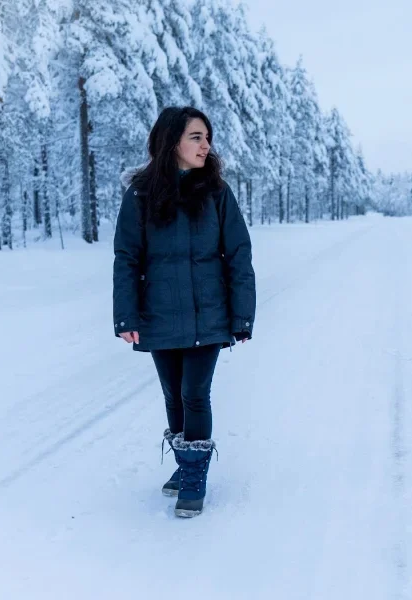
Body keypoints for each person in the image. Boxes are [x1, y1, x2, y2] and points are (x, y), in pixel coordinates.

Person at [112, 106, 256, 518]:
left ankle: (194, 478)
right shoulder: (140, 194)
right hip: (159, 314)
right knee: (173, 394)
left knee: (194, 393)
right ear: (172, 139)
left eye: (207, 137)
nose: (205, 145)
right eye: (196, 136)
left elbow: (239, 254)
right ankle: (185, 463)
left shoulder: (216, 192)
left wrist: (241, 314)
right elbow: (127, 257)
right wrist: (127, 315)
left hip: (208, 314)